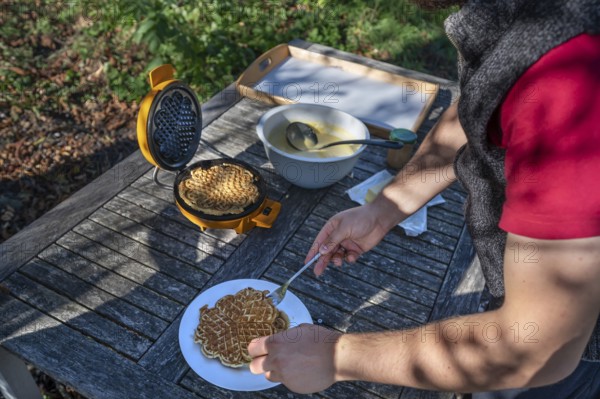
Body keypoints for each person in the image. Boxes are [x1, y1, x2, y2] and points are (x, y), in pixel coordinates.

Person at [248, 0, 600, 397]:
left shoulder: (571, 81)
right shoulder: (530, 19)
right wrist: (385, 209)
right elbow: (478, 106)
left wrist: (336, 356)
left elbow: (534, 349)